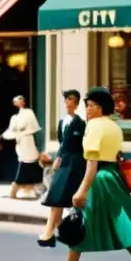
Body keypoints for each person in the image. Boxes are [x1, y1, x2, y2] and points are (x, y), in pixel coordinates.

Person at [46, 86, 131, 261]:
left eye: (91, 105)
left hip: (99, 179)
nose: (87, 109)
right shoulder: (114, 126)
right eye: (86, 105)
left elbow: (92, 164)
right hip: (114, 178)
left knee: (79, 228)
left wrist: (81, 191)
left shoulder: (93, 126)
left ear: (101, 107)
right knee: (125, 226)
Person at [38, 89, 86, 247]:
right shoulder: (62, 122)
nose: (67, 102)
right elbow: (61, 143)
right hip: (64, 162)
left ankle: (50, 232)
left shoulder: (80, 123)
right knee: (57, 197)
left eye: (71, 99)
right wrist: (57, 158)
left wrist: (61, 157)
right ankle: (52, 232)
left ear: (77, 103)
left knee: (59, 197)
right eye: (66, 99)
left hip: (74, 163)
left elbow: (76, 145)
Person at [0, 95, 43, 199]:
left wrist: (24, 132)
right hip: (20, 142)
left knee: (29, 162)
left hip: (28, 140)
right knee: (25, 162)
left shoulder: (28, 112)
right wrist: (3, 136)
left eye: (20, 100)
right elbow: (11, 130)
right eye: (16, 101)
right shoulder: (14, 117)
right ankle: (21, 188)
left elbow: (34, 126)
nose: (19, 102)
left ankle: (16, 188)